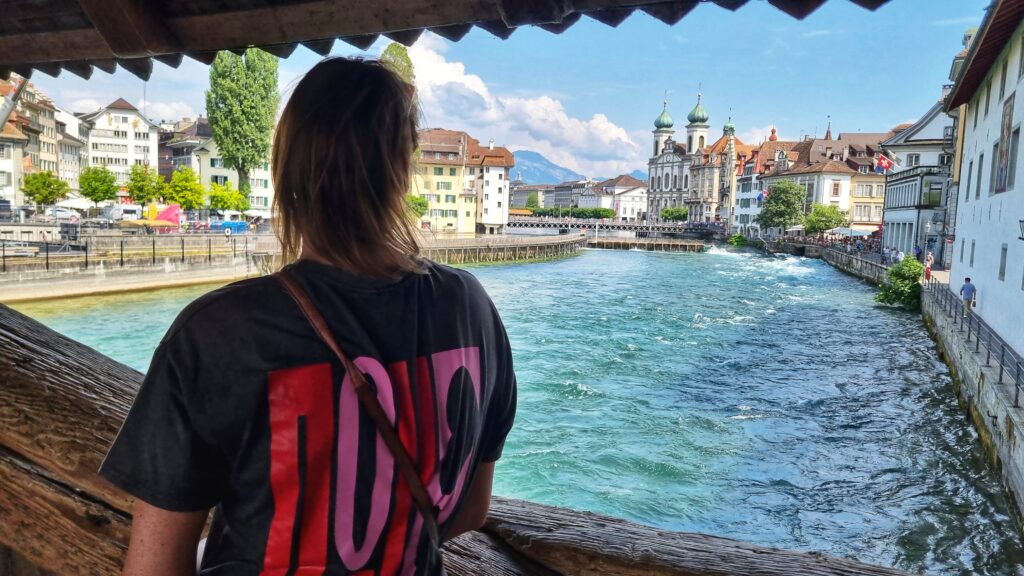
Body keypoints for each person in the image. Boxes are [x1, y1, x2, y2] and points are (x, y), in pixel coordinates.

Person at [100, 57, 517, 576]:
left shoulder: (218, 331)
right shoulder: (470, 308)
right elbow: (471, 509)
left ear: (287, 166)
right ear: (402, 168)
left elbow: (154, 568)